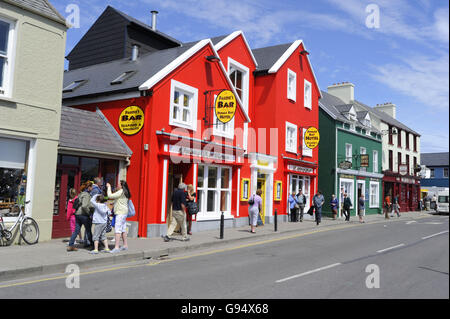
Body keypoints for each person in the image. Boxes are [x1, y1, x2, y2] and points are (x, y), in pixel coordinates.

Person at [67, 181, 94, 252]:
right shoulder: (86, 195)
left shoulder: (80, 194)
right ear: (88, 188)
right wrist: (88, 212)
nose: (92, 188)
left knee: (76, 230)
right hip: (84, 215)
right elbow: (84, 205)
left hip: (77, 215)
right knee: (88, 230)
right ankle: (92, 245)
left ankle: (70, 245)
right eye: (91, 187)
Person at [107, 180, 131, 252]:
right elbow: (120, 200)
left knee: (117, 230)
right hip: (124, 212)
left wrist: (109, 187)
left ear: (121, 186)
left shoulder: (121, 191)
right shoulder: (125, 192)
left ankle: (116, 247)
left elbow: (110, 195)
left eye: (118, 185)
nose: (117, 186)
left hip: (120, 212)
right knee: (123, 229)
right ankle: (125, 245)